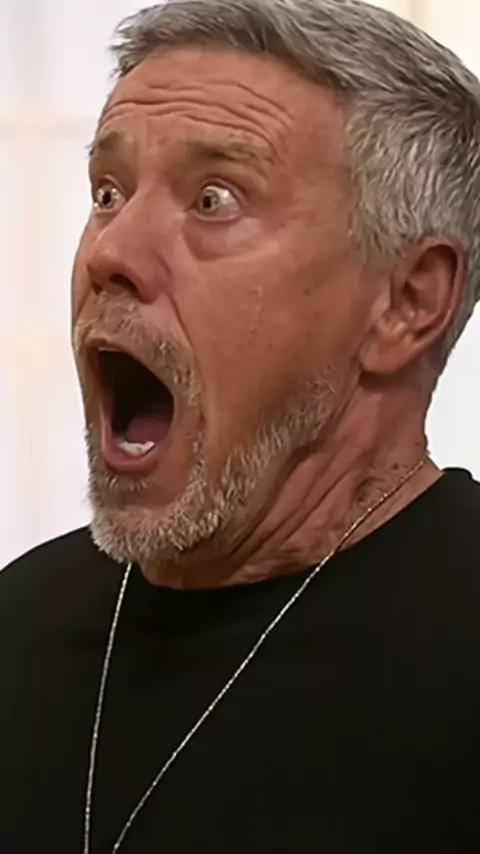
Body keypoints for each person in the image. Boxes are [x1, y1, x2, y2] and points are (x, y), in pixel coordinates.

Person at [2, 0, 480, 851]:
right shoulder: (19, 624)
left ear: (407, 303)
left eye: (213, 199)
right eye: (108, 193)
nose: (109, 253)